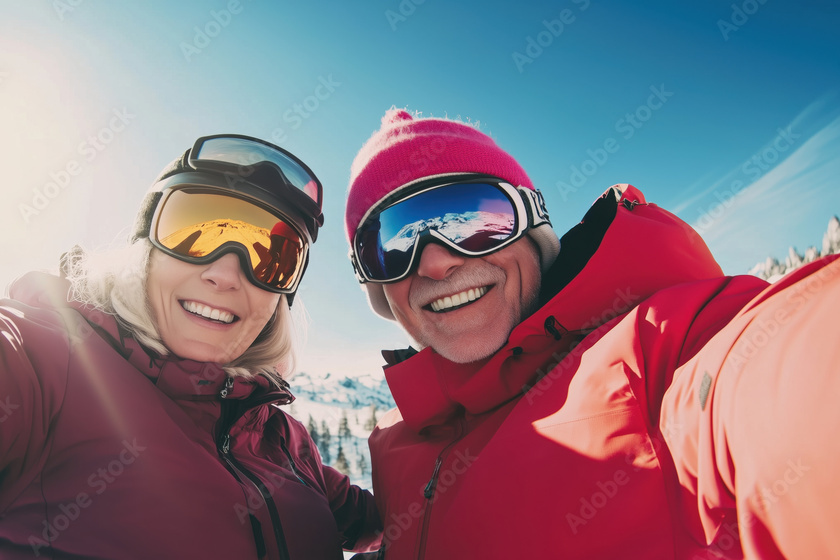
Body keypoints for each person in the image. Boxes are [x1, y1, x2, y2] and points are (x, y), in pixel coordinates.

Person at [0, 58, 381, 558]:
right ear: (143, 252)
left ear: (282, 294)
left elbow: (392, 518)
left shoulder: (280, 437)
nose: (226, 270)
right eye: (194, 231)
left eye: (272, 256)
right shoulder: (46, 370)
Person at [343, 108, 840, 559]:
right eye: (392, 243)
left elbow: (775, 383)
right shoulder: (395, 445)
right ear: (380, 289)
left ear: (532, 225)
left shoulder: (657, 358)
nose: (434, 261)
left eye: (472, 219)